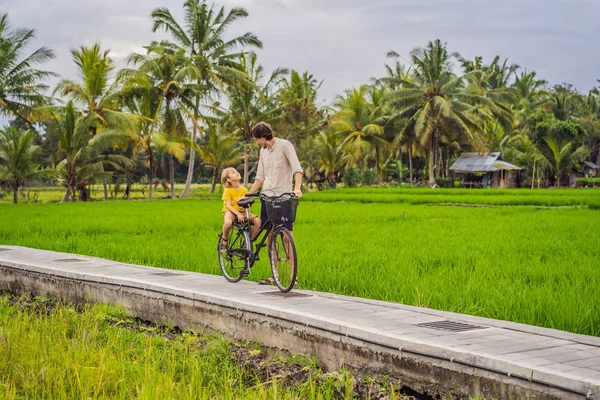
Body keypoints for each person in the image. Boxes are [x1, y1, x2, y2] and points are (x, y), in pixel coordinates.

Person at [248, 122, 303, 285]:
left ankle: (294, 277)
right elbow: (260, 177)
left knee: (287, 237)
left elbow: (297, 169)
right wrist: (250, 193)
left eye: (257, 139)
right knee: (270, 235)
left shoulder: (285, 146)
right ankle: (274, 275)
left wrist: (297, 188)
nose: (256, 143)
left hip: (284, 197)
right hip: (266, 197)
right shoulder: (263, 152)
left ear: (263, 136)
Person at [220, 167, 261, 253]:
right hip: (230, 211)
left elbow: (247, 203)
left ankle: (247, 243)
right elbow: (228, 205)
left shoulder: (244, 190)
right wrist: (238, 214)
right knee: (228, 223)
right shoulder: (228, 190)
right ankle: (224, 240)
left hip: (243, 211)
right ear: (228, 179)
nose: (237, 172)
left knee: (258, 221)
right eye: (233, 172)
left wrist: (247, 214)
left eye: (236, 171)